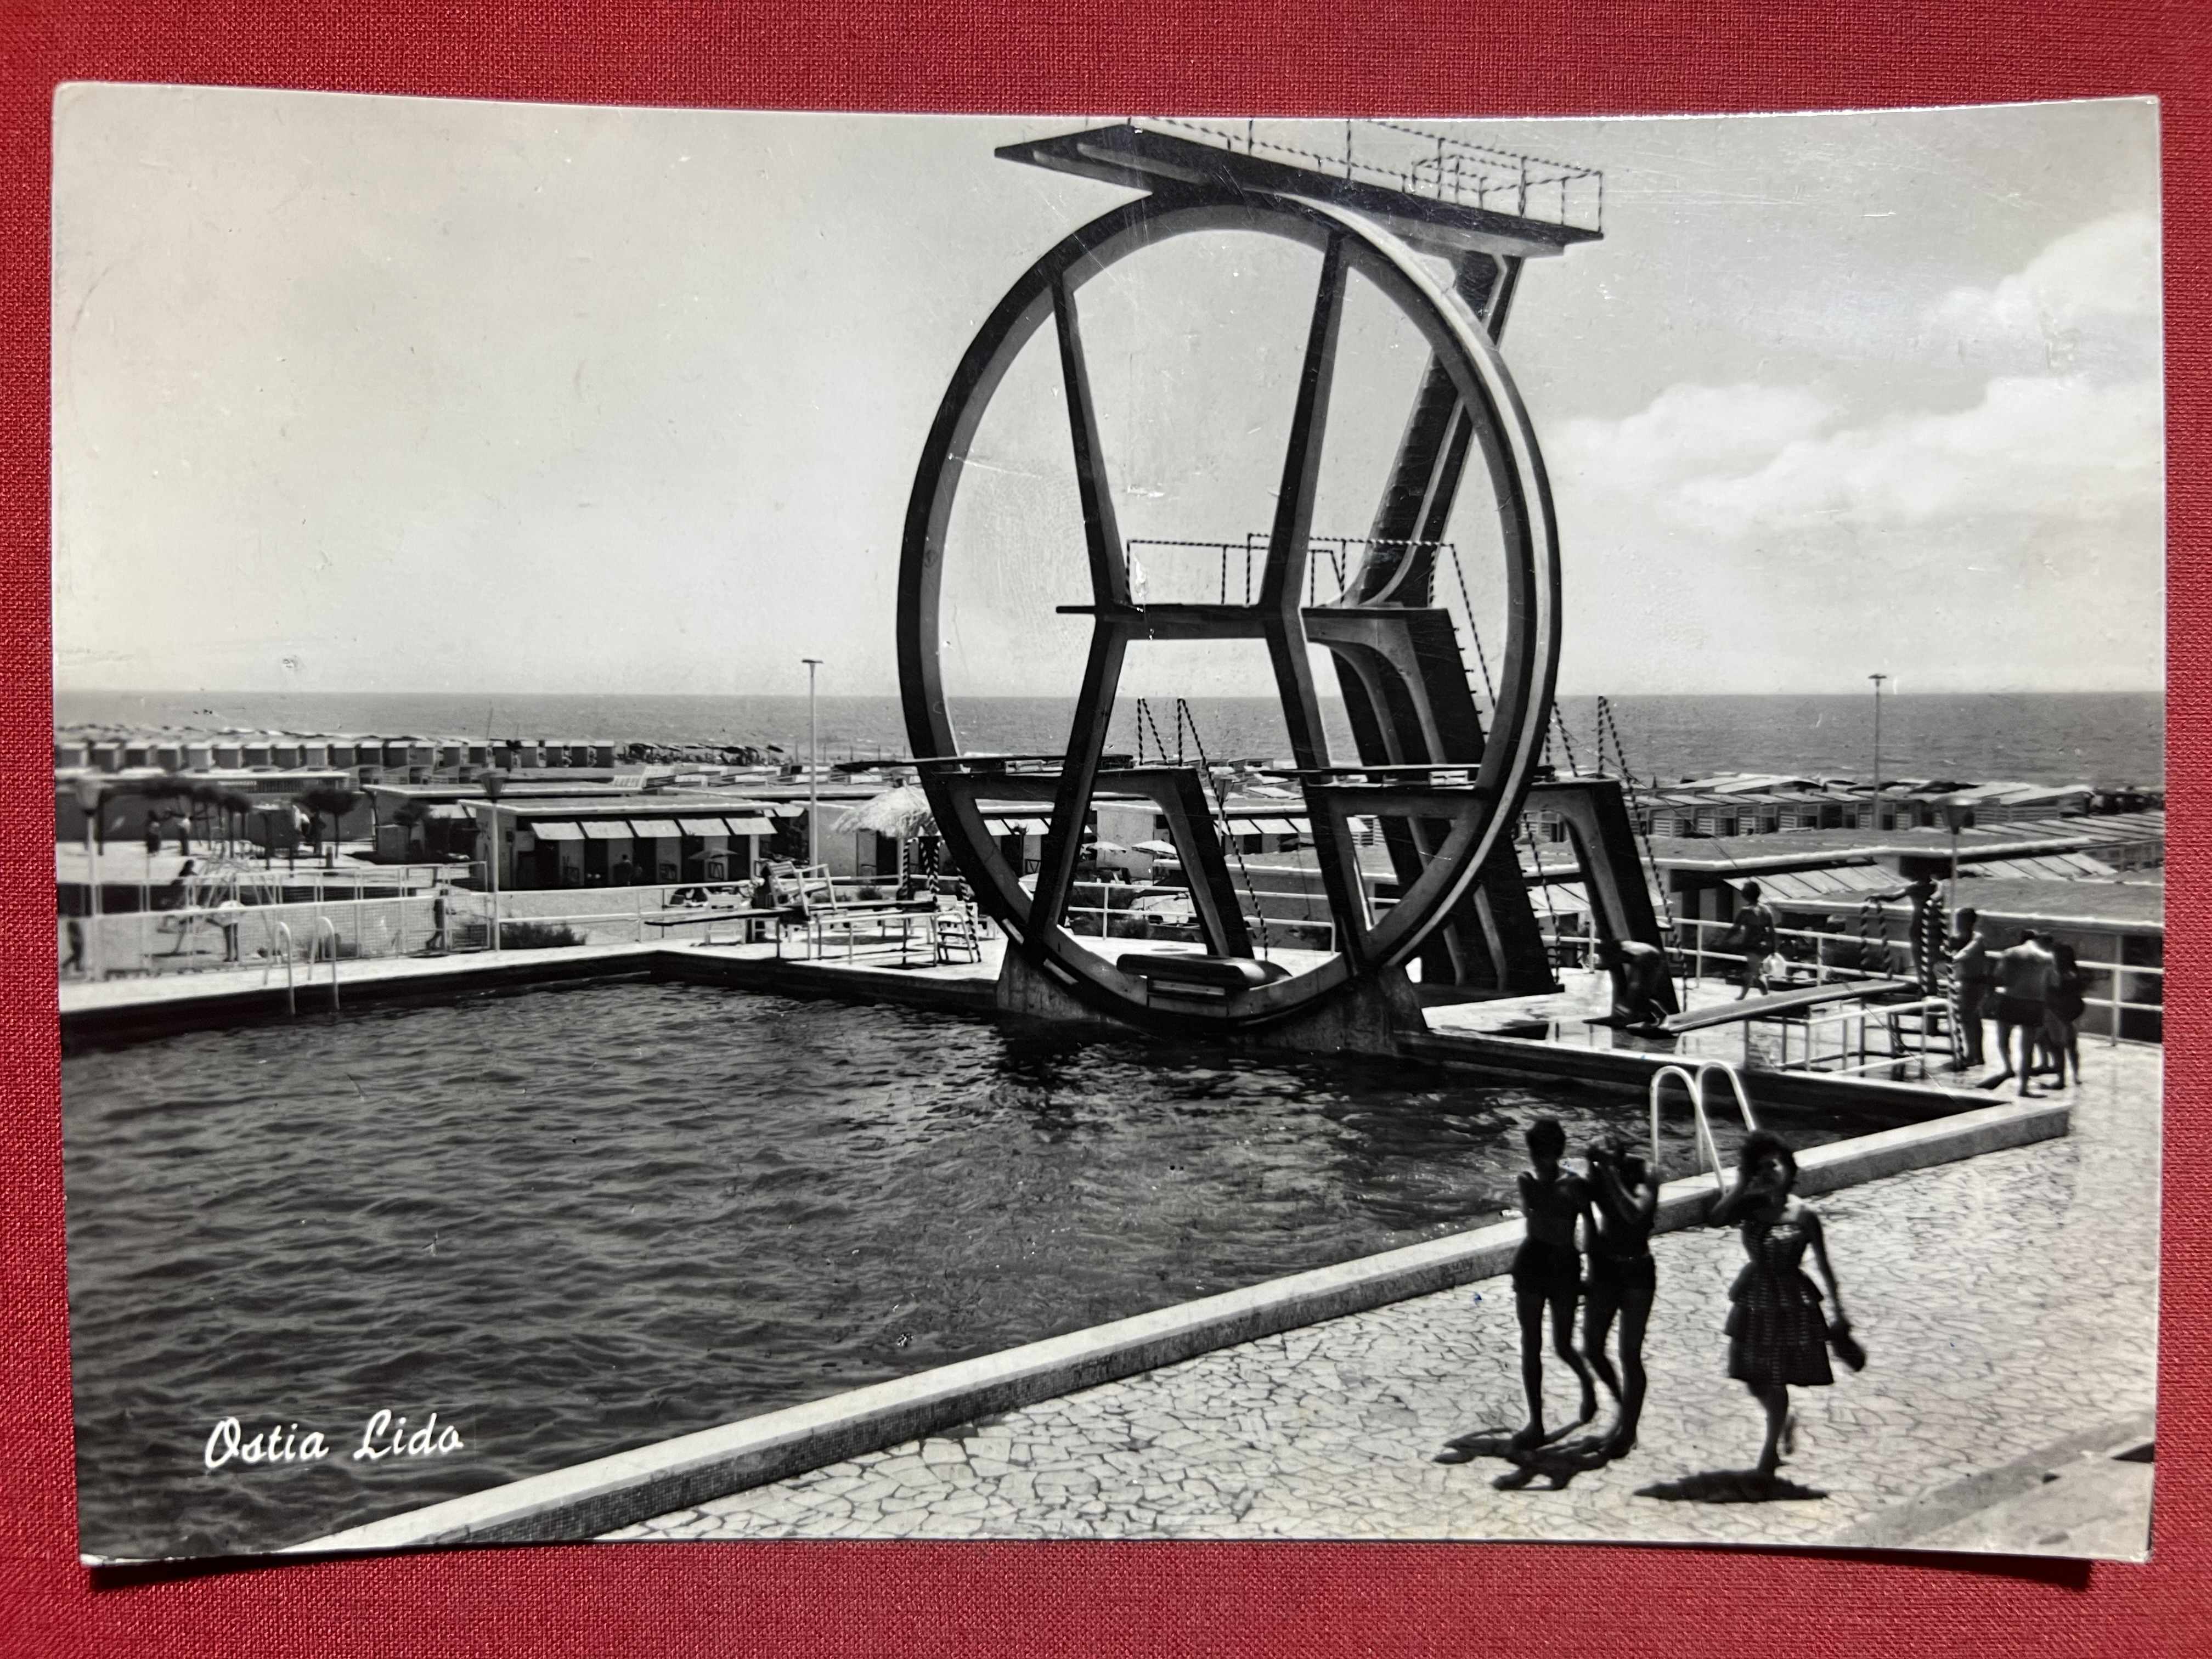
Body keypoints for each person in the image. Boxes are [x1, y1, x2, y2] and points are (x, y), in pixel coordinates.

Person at [1709, 1131, 1853, 1481]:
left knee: (1775, 1377)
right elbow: (1714, 1219)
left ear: (1789, 1168)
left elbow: (1824, 1264)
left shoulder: (1805, 1214)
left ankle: (1768, 1454)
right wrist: (1741, 1186)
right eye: (1761, 1167)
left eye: (1774, 1164)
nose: (1770, 1171)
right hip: (1754, 1298)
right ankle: (1784, 1421)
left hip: (1790, 1301)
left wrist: (1839, 1312)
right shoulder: (1750, 1207)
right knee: (1752, 1378)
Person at [1510, 1118, 1599, 1449]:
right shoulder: (1527, 1181)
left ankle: (1588, 1384)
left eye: (1545, 1153)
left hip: (1564, 1265)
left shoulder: (1576, 1186)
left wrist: (1590, 1273)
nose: (1540, 1160)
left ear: (1558, 1152)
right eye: (1537, 1154)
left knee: (1563, 1345)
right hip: (1533, 1263)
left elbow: (1590, 1229)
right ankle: (1536, 1422)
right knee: (1530, 1343)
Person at [1581, 1136, 1658, 1459]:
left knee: (1630, 1354)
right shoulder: (1597, 1173)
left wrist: (1610, 1173)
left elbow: (1635, 1216)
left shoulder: (1647, 1172)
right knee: (1593, 1348)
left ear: (1622, 1152)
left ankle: (1628, 1431)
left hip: (1637, 1271)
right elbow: (1590, 1220)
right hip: (1605, 1269)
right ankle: (1622, 1407)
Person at [1991, 929, 2058, 1097]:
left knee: (2002, 1039)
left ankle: (2008, 1068)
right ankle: (2023, 1088)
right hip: (2034, 1002)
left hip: (2012, 999)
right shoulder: (2047, 958)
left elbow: (2000, 977)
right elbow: (2055, 982)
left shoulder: (2010, 954)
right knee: (2027, 1048)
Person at [1946, 909, 1993, 1069]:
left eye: (1962, 921)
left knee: (1969, 1017)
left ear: (1970, 922)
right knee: (1970, 1019)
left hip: (1977, 983)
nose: (1959, 924)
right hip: (1966, 983)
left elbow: (1966, 952)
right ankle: (1975, 1054)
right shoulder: (1959, 938)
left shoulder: (1977, 938)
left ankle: (1974, 1055)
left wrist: (1953, 958)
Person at [1715, 882, 1778, 999]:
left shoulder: (1746, 911)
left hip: (1752, 946)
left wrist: (1724, 940)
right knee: (1752, 971)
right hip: (1765, 946)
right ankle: (1744, 996)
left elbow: (1735, 928)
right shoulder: (1767, 910)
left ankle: (1767, 999)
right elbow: (1772, 931)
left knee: (1755, 973)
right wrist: (1774, 948)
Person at [1593, 936, 1672, 1028]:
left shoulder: (1626, 950)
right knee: (1639, 995)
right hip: (1648, 958)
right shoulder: (1625, 949)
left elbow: (1638, 968)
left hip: (1650, 958)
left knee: (1639, 994)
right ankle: (1652, 1017)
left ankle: (1660, 1016)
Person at [2040, 932, 2085, 1089]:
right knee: (2072, 1045)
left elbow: (2048, 992)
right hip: (2074, 1010)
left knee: (2056, 1045)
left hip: (2058, 1011)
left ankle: (2061, 1079)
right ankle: (2076, 1075)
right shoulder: (2074, 972)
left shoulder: (2055, 973)